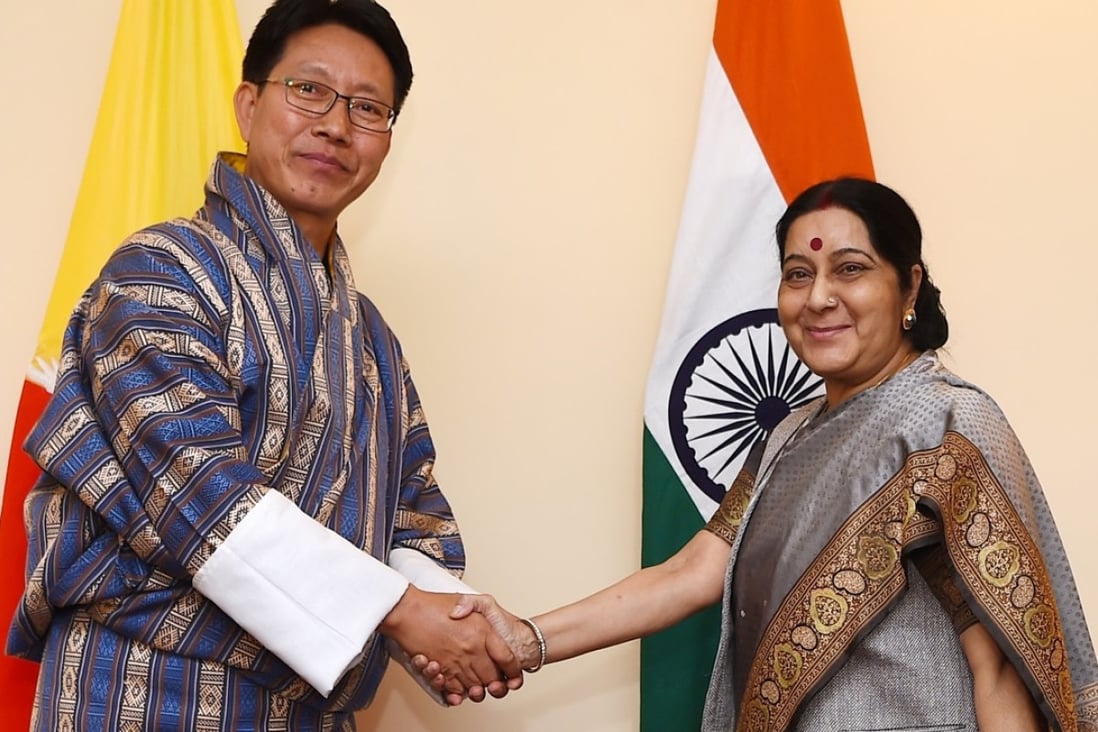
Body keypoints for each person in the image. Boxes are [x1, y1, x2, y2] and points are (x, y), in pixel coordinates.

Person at [5, 1, 519, 729]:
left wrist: (457, 620)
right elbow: (205, 499)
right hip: (141, 692)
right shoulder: (159, 272)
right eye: (308, 90)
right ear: (248, 105)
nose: (336, 125)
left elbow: (411, 523)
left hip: (308, 709)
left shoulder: (372, 340)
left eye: (368, 108)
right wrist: (405, 614)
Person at [423, 178, 1098, 730]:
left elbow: (1005, 662)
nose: (819, 297)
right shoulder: (789, 433)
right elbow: (690, 574)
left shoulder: (947, 418)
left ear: (909, 287)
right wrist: (524, 638)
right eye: (797, 274)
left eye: (851, 270)